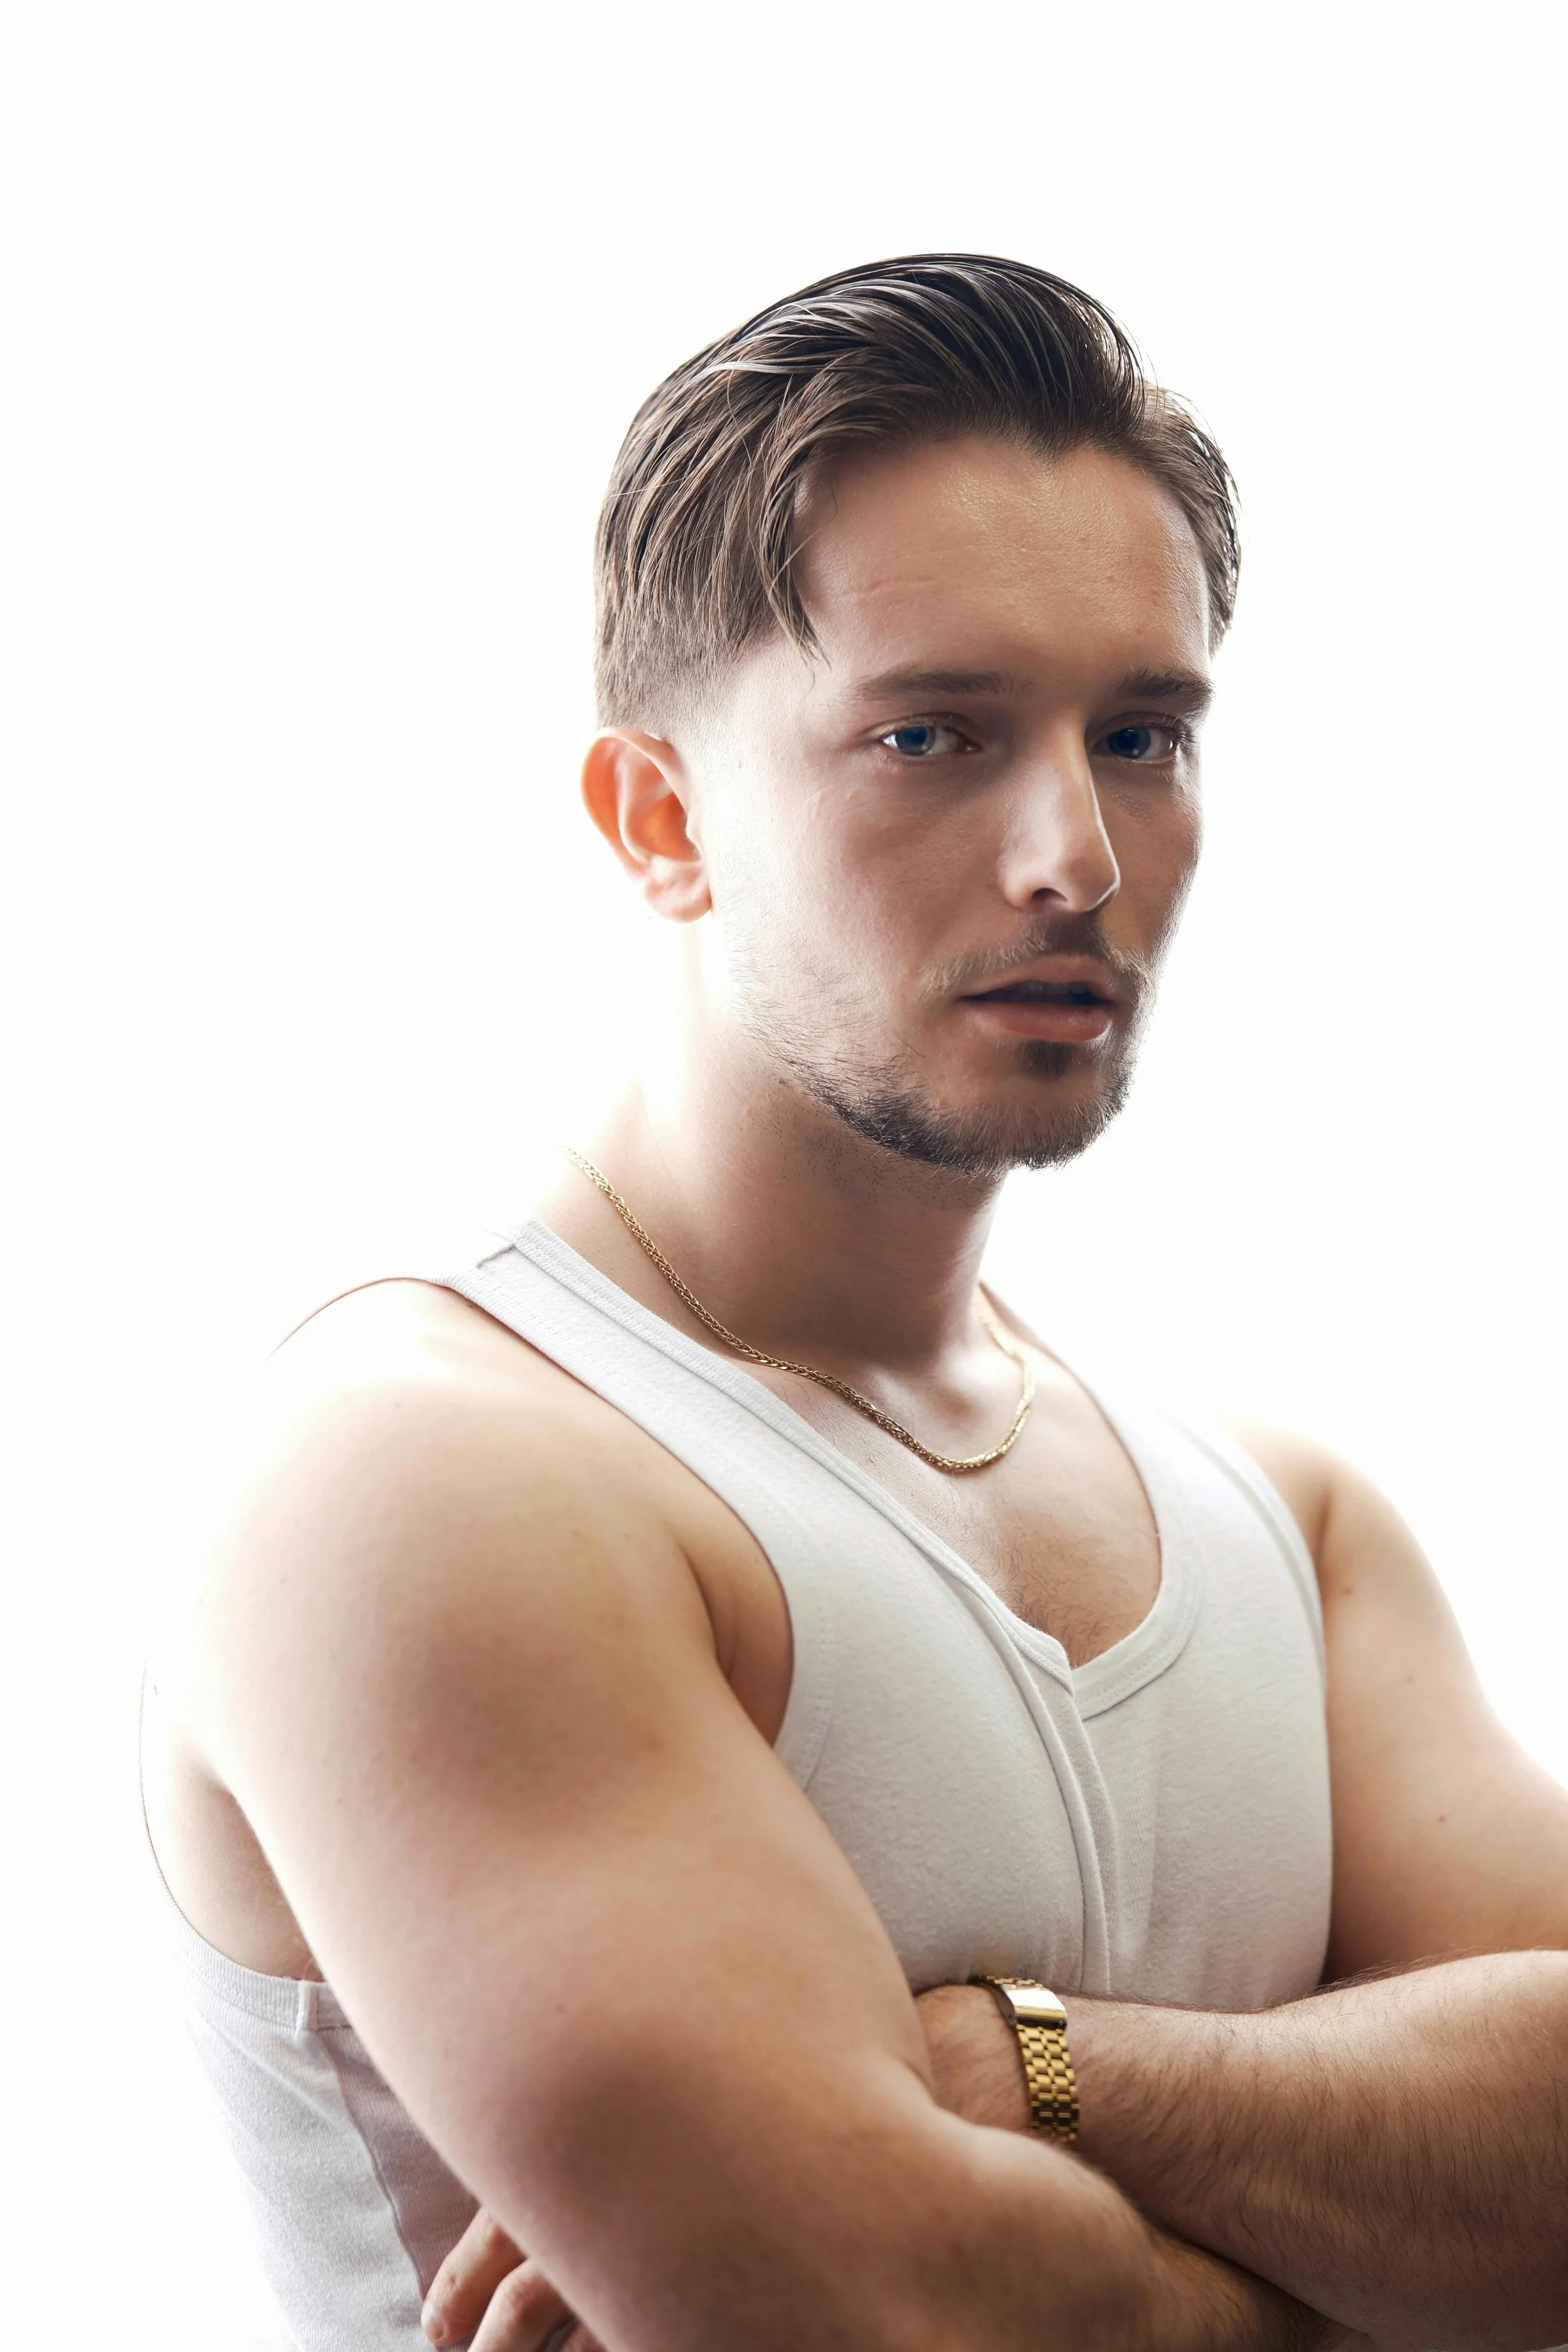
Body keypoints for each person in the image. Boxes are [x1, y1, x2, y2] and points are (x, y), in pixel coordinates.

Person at [141, 255, 1568, 2352]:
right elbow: (890, 2316)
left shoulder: (1288, 1520)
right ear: (660, 819)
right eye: (932, 732)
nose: (1073, 850)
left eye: (1141, 734)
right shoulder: (426, 1466)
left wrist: (1032, 2064)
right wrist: (1378, 2280)